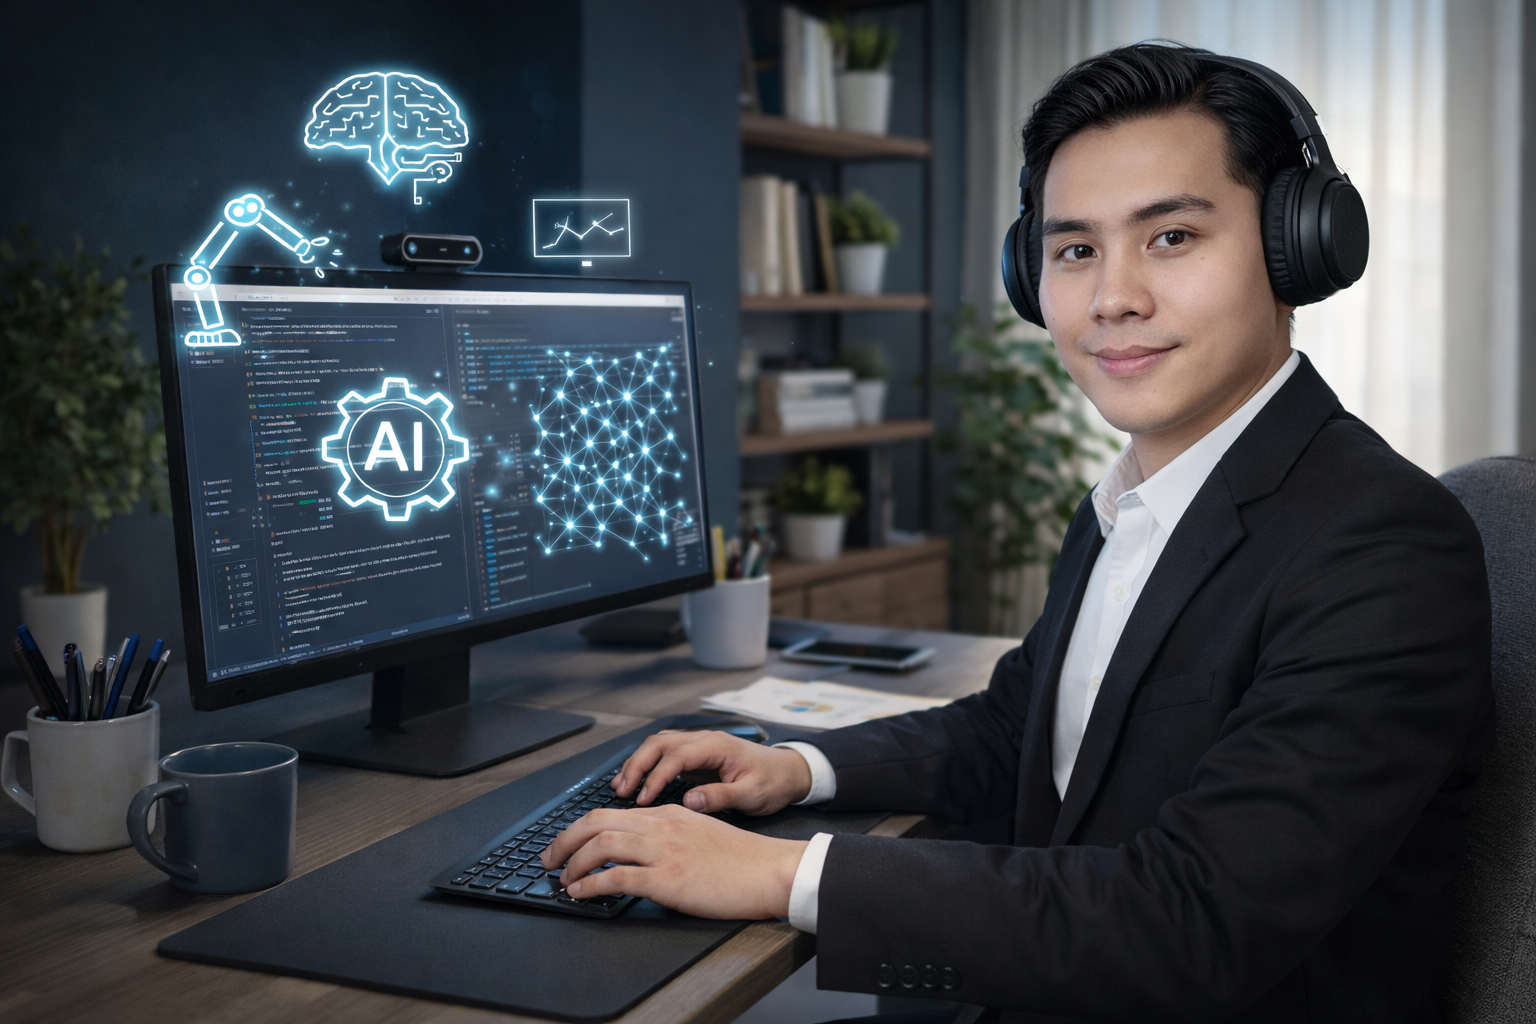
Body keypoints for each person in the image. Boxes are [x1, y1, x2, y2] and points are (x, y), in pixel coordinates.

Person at [542, 43, 1494, 1022]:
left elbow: (1195, 925)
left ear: (1298, 244)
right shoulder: (1136, 497)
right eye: (1076, 249)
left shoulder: (1385, 547)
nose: (1113, 297)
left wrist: (787, 874)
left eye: (1171, 237)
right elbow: (1017, 727)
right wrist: (797, 768)